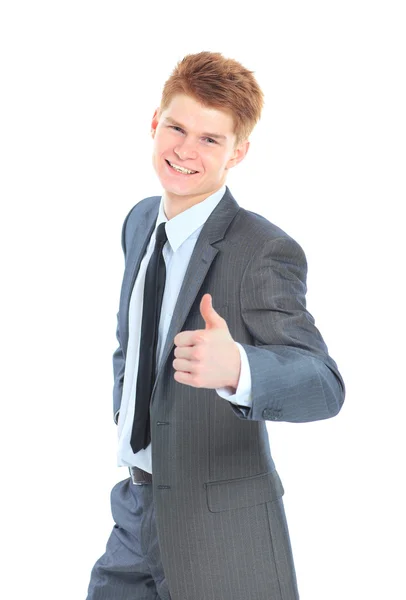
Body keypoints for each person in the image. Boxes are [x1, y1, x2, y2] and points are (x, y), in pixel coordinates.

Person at [86, 51, 346, 600]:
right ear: (155, 122)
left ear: (239, 152)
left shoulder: (263, 250)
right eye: (177, 127)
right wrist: (129, 416)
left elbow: (324, 384)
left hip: (219, 531)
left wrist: (241, 369)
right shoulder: (139, 221)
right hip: (135, 509)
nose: (185, 150)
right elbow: (129, 342)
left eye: (210, 139)